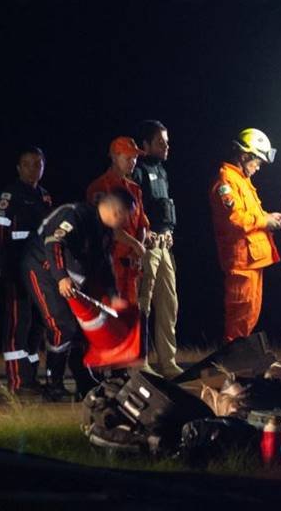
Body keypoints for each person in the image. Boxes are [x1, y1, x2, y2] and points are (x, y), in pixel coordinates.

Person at [21, 189, 132, 401]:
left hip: (67, 277)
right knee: (62, 326)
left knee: (81, 329)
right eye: (128, 214)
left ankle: (84, 381)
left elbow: (104, 263)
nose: (128, 220)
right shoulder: (76, 214)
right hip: (42, 269)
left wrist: (112, 294)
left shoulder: (104, 230)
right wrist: (61, 276)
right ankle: (54, 384)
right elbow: (54, 244)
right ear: (117, 211)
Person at [208, 128, 281, 343]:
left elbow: (249, 214)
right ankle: (230, 364)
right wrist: (264, 221)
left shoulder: (241, 180)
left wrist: (269, 217)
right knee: (239, 317)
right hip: (241, 261)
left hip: (252, 260)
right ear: (244, 156)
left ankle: (237, 364)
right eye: (257, 161)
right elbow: (235, 219)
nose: (258, 167)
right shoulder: (227, 181)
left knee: (250, 314)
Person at [0, 146, 53, 396]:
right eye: (27, 164)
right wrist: (1, 265)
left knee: (37, 326)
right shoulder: (10, 194)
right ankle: (16, 382)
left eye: (38, 164)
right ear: (18, 168)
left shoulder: (45, 196)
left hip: (40, 272)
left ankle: (30, 379)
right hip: (16, 269)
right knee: (18, 325)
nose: (33, 169)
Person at [130, 120, 183, 378]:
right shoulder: (138, 170)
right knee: (144, 304)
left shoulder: (162, 171)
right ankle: (141, 361)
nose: (166, 146)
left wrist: (169, 232)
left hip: (164, 245)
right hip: (147, 247)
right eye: (160, 142)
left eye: (167, 142)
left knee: (168, 303)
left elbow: (165, 207)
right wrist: (144, 234)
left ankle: (168, 362)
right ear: (146, 145)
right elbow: (134, 208)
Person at [87, 137, 154, 308]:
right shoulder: (100, 187)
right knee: (110, 313)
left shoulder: (134, 189)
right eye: (128, 157)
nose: (133, 162)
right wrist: (136, 245)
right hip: (110, 264)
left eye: (135, 158)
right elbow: (107, 226)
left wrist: (137, 249)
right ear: (115, 157)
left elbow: (142, 223)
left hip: (131, 267)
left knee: (132, 314)